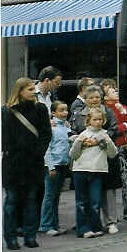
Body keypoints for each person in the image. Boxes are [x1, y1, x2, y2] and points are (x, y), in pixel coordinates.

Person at [2, 78, 52, 249]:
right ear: (20, 91)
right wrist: (9, 150)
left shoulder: (40, 109)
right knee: (12, 200)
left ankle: (30, 235)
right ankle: (11, 238)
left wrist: (39, 151)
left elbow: (46, 133)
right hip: (12, 163)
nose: (33, 92)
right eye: (29, 89)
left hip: (33, 162)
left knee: (31, 200)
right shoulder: (7, 111)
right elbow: (3, 135)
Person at [71, 85, 122, 234]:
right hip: (84, 159)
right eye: (91, 97)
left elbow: (113, 130)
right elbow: (73, 132)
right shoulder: (78, 114)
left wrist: (98, 142)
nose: (94, 100)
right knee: (85, 197)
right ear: (85, 99)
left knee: (107, 192)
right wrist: (81, 140)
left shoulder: (108, 112)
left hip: (104, 158)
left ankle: (110, 221)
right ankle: (87, 224)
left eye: (97, 97)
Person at [102, 80, 127, 222]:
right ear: (106, 97)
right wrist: (124, 126)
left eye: (116, 89)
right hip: (114, 148)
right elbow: (113, 129)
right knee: (114, 183)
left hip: (123, 148)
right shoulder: (105, 109)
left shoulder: (121, 107)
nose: (116, 92)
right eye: (112, 90)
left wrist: (123, 112)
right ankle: (112, 215)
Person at [39, 100, 72, 236]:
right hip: (53, 165)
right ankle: (46, 225)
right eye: (61, 110)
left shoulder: (66, 127)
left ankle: (54, 224)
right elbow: (47, 149)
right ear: (53, 113)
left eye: (65, 110)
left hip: (63, 164)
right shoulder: (51, 128)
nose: (64, 113)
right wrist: (51, 167)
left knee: (56, 196)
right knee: (50, 195)